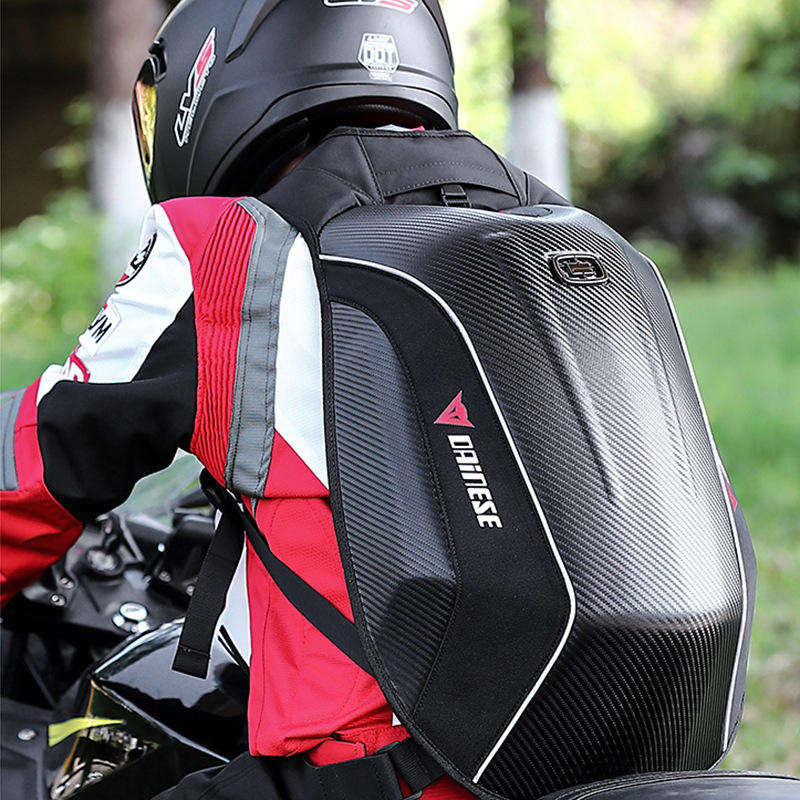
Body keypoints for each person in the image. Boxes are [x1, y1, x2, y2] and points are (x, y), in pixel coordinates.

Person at [0, 1, 756, 799]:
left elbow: (37, 468)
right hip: (627, 756)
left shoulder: (228, 248)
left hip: (387, 778)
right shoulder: (584, 241)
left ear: (208, 82)